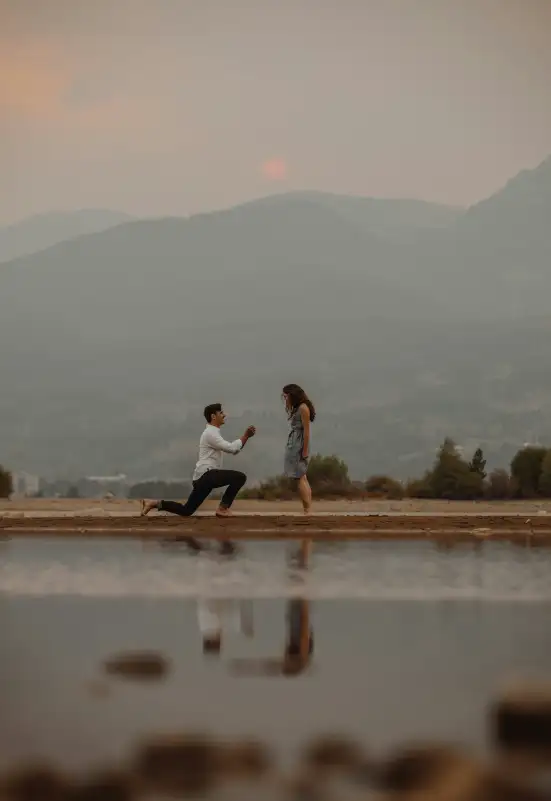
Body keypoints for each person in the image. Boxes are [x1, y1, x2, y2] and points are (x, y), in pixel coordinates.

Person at [140, 404, 255, 545]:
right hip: (207, 475)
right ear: (213, 416)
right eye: (221, 412)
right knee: (240, 477)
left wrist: (245, 438)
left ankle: (154, 503)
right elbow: (231, 449)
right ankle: (223, 509)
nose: (224, 415)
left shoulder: (213, 433)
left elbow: (234, 450)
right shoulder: (210, 433)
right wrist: (245, 436)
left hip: (202, 478)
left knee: (187, 510)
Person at [282, 384, 315, 515]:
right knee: (302, 476)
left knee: (300, 477)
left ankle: (307, 509)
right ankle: (307, 508)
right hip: (294, 442)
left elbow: (306, 432)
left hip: (298, 444)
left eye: (286, 396)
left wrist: (305, 450)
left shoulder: (303, 408)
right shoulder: (297, 408)